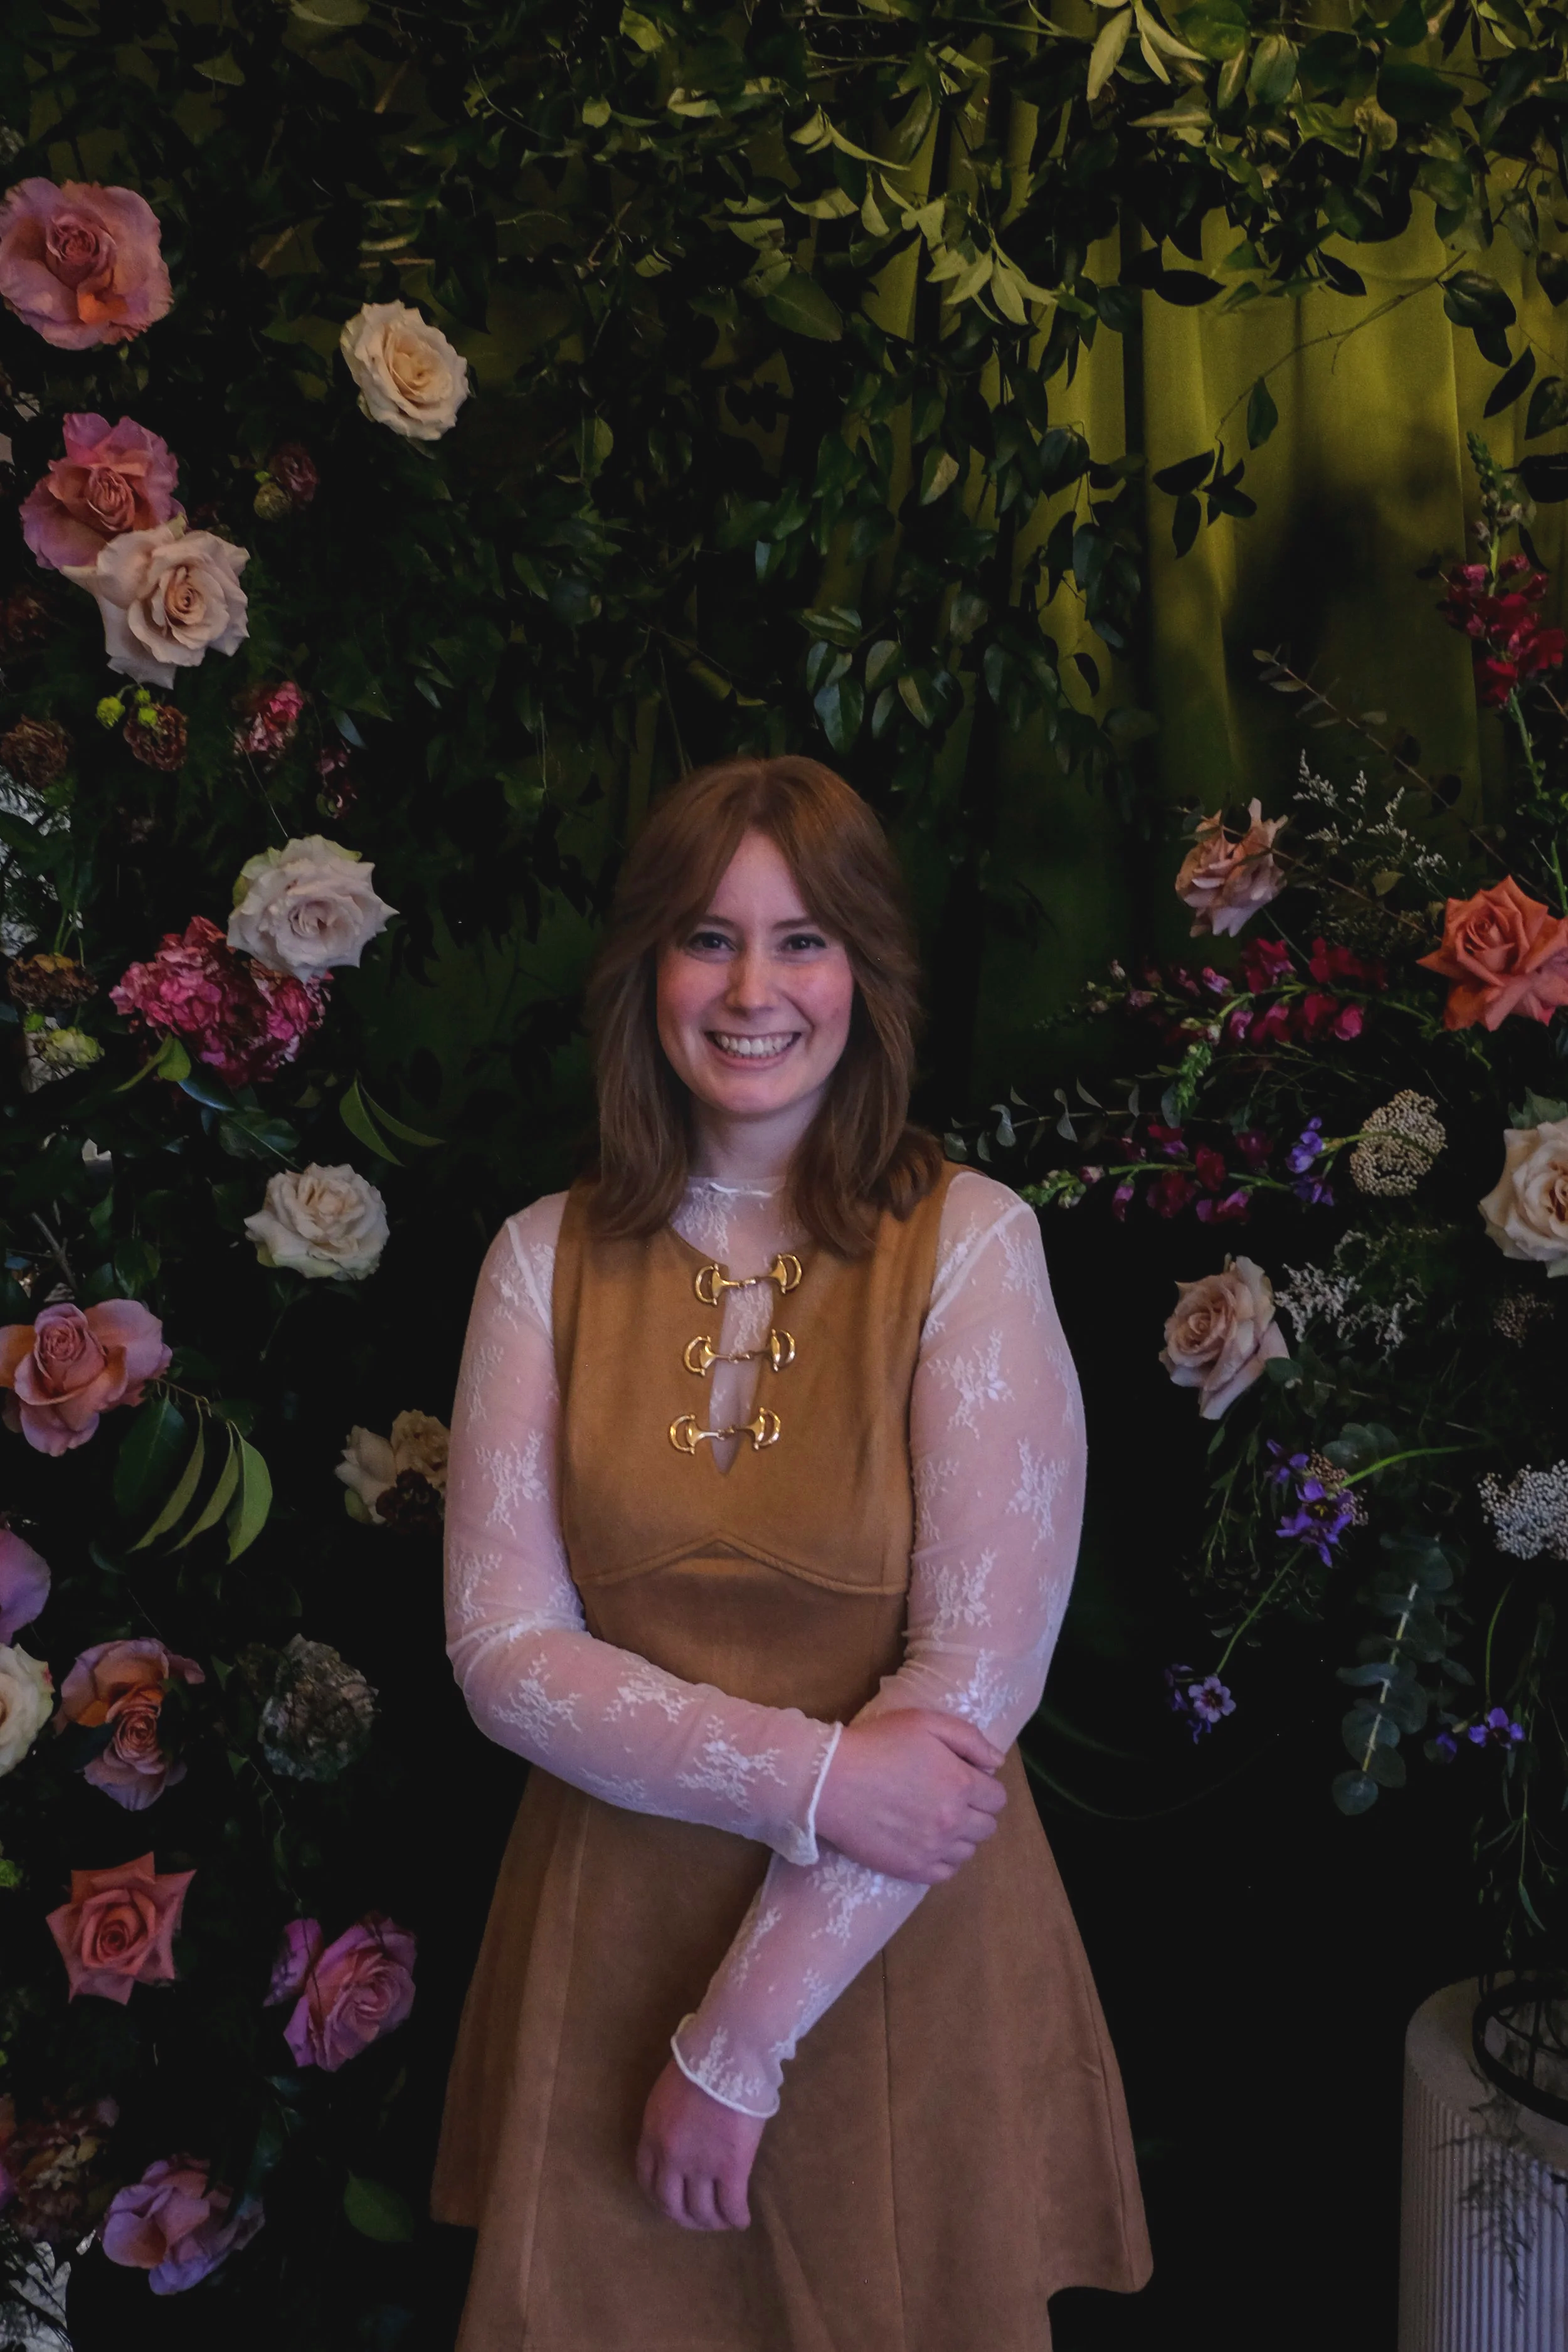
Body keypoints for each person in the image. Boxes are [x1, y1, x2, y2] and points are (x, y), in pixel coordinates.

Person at [432, 755, 1151, 2349]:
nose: (753, 988)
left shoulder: (974, 1242)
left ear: (867, 976)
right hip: (603, 1933)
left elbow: (969, 1688)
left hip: (893, 1951)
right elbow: (502, 1656)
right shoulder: (535, 1261)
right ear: (646, 972)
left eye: (804, 939)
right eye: (708, 937)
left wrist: (733, 2046)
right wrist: (821, 1782)